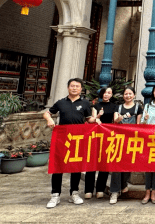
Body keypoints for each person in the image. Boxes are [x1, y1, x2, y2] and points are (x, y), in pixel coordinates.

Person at [44, 78, 96, 208]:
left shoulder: (85, 103)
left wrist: (97, 119)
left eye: (77, 86)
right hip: (62, 139)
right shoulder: (61, 103)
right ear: (68, 87)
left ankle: (74, 193)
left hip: (78, 140)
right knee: (58, 167)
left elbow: (89, 119)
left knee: (76, 167)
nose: (74, 88)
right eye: (72, 86)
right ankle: (55, 195)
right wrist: (49, 119)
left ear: (81, 89)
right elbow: (47, 113)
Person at [110, 86, 143, 204]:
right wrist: (118, 119)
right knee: (116, 164)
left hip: (131, 139)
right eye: (126, 94)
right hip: (119, 139)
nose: (128, 96)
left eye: (130, 94)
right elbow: (115, 121)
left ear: (134, 95)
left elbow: (138, 124)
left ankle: (123, 185)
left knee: (127, 164)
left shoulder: (138, 107)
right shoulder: (118, 107)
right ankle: (114, 191)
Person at [84, 86, 117, 199]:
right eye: (104, 92)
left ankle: (100, 189)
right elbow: (93, 120)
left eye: (109, 93)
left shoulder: (114, 106)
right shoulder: (96, 106)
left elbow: (115, 121)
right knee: (92, 162)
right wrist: (98, 116)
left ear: (111, 95)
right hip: (96, 136)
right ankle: (88, 189)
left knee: (104, 163)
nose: (106, 94)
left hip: (108, 137)